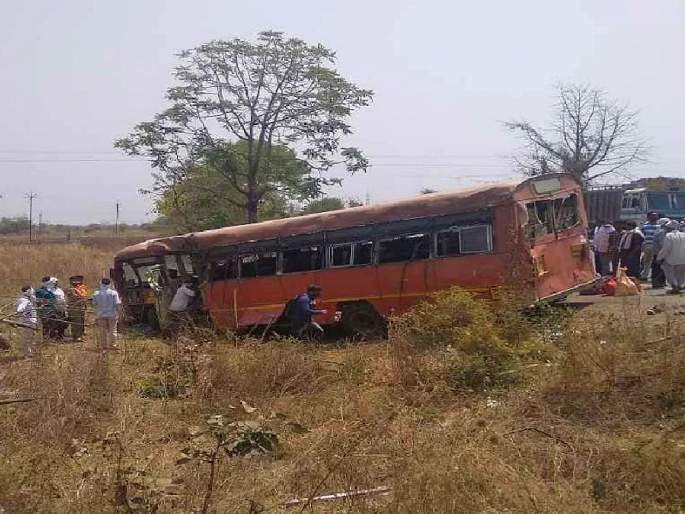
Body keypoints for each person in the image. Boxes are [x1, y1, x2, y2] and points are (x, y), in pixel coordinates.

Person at [91, 278, 122, 349]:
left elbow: (94, 303)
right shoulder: (114, 293)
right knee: (113, 330)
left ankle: (104, 346)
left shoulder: (96, 293)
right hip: (112, 315)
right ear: (109, 284)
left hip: (101, 315)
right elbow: (117, 303)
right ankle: (113, 345)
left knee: (102, 331)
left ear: (101, 283)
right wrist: (119, 313)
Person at [657, 220, 685, 294]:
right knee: (680, 273)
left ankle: (675, 286)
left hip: (671, 258)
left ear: (670, 228)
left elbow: (666, 248)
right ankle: (678, 285)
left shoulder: (668, 235)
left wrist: (659, 258)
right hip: (683, 258)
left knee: (668, 271)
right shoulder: (684, 235)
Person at [35, 276, 67, 340]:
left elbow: (61, 299)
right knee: (48, 324)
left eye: (55, 283)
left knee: (61, 323)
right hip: (47, 311)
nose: (55, 284)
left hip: (59, 309)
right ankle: (48, 337)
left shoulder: (58, 290)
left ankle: (59, 336)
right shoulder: (41, 291)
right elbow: (40, 301)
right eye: (53, 283)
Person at [16, 285, 38, 357]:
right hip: (27, 322)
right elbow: (20, 309)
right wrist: (23, 314)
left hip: (31, 321)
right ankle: (27, 354)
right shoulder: (23, 300)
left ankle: (31, 353)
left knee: (31, 337)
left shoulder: (29, 299)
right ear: (28, 291)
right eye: (31, 290)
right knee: (27, 338)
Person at [65, 275, 89, 341]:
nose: (78, 283)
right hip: (74, 308)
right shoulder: (70, 289)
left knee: (81, 322)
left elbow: (84, 297)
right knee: (76, 322)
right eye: (76, 281)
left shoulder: (82, 288)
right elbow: (77, 297)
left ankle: (80, 335)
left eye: (79, 281)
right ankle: (76, 336)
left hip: (81, 308)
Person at [651, 218, 671, 288]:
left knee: (659, 268)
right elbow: (662, 244)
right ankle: (657, 283)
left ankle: (661, 282)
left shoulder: (659, 231)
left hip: (658, 253)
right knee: (659, 269)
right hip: (660, 253)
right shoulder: (662, 232)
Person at [640, 211, 660, 280]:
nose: (654, 217)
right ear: (649, 217)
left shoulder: (659, 226)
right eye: (653, 215)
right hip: (647, 245)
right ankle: (645, 275)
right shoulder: (645, 226)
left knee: (655, 261)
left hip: (656, 246)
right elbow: (643, 235)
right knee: (646, 261)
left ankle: (654, 276)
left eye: (655, 215)